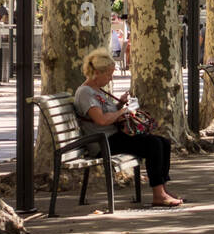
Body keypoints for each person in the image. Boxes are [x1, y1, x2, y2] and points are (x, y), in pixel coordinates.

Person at [73, 47, 182, 206]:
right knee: (153, 144)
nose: (110, 79)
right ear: (97, 73)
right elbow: (101, 120)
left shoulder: (97, 90)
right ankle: (158, 194)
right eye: (109, 74)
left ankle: (162, 189)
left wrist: (120, 105)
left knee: (163, 142)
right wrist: (123, 111)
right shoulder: (85, 93)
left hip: (112, 137)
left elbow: (106, 115)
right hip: (103, 142)